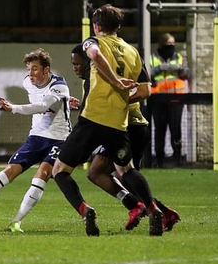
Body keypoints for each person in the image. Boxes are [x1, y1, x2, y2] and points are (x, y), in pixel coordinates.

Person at [52, 4, 164, 237]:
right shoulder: (133, 52)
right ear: (119, 26)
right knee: (126, 169)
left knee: (60, 170)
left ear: (96, 25)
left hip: (93, 118)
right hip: (119, 123)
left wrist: (114, 81)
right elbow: (145, 90)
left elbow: (94, 54)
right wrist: (124, 96)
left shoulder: (93, 42)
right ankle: (152, 210)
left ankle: (85, 210)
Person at [70, 44, 181, 232]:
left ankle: (147, 208)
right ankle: (154, 210)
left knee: (121, 173)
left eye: (78, 64)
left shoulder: (99, 74)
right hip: (130, 126)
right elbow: (145, 91)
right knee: (101, 172)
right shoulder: (130, 57)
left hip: (125, 127)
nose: (75, 68)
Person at [0, 48, 71, 233]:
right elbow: (41, 100)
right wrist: (67, 101)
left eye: (35, 69)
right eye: (29, 69)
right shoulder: (27, 83)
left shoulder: (59, 85)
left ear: (46, 69)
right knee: (10, 170)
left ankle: (16, 222)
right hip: (36, 137)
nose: (30, 74)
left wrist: (13, 108)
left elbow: (42, 106)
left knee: (41, 175)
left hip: (59, 139)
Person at [149, 33, 190, 167]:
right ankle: (159, 159)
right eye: (168, 44)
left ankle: (178, 157)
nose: (171, 46)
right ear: (161, 44)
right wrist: (161, 68)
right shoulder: (152, 58)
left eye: (173, 44)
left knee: (176, 129)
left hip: (176, 99)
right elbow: (146, 74)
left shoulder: (179, 58)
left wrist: (180, 69)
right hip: (158, 99)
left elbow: (187, 73)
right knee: (159, 130)